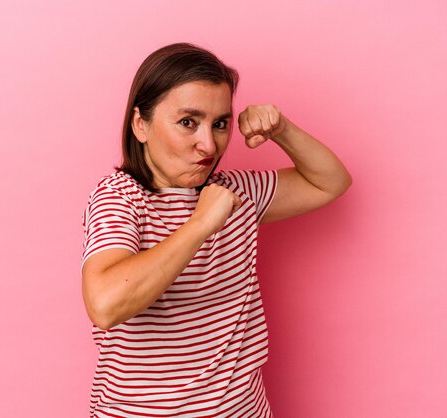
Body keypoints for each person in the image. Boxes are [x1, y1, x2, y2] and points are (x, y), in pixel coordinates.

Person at [80, 42, 352, 417]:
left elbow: (330, 182)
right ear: (140, 124)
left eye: (220, 123)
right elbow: (105, 305)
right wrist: (202, 223)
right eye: (188, 122)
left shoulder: (236, 191)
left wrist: (282, 130)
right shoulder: (120, 198)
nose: (209, 145)